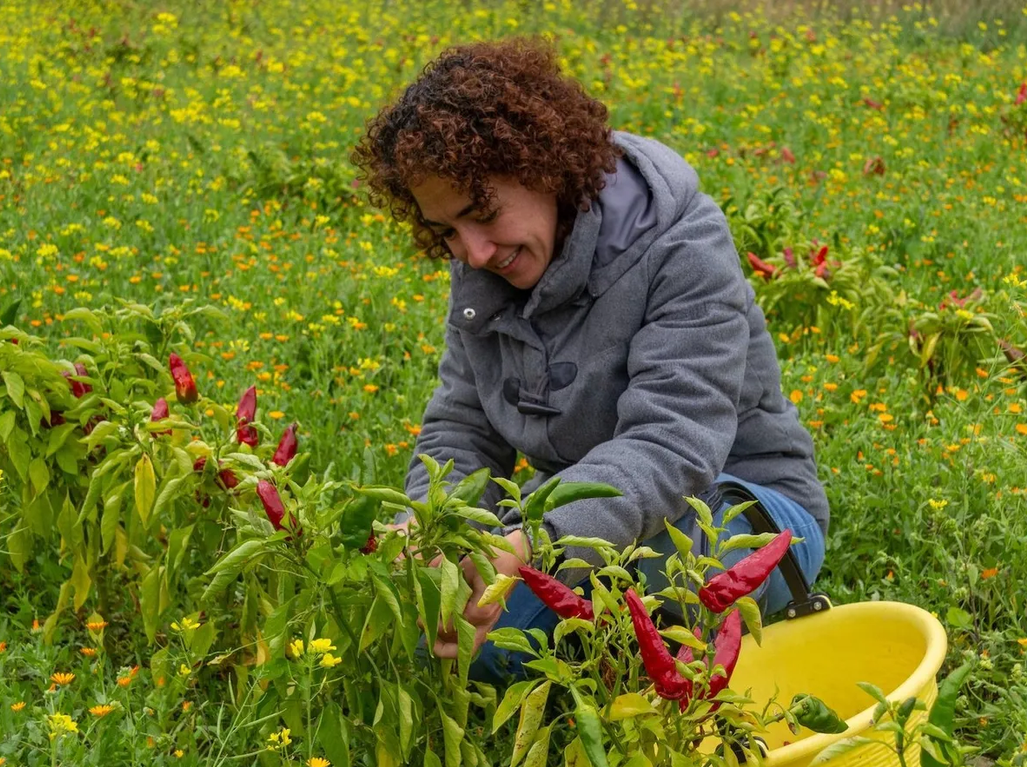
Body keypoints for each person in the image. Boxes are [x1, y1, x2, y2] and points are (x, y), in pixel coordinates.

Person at [352, 37, 829, 683]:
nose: (475, 251)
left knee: (575, 618)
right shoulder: (485, 270)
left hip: (740, 512)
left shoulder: (682, 244)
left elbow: (673, 443)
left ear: (544, 168)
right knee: (443, 638)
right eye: (447, 232)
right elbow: (462, 427)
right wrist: (439, 532)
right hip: (589, 520)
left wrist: (531, 544)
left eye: (482, 214)